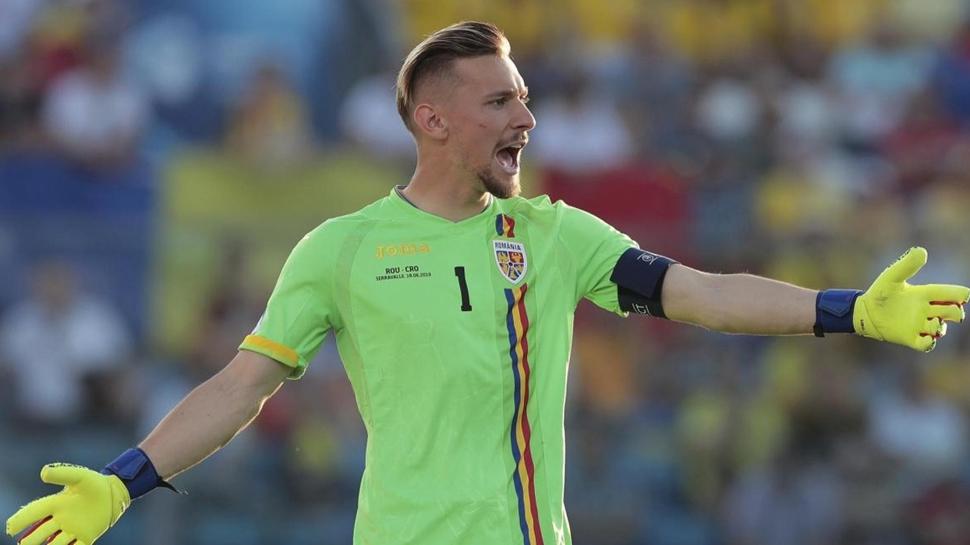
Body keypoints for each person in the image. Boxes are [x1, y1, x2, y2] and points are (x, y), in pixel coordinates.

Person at [6, 21, 969, 545]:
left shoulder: (552, 234)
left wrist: (847, 309)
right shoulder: (341, 248)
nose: (527, 118)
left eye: (526, 97)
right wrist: (123, 483)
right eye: (501, 99)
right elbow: (239, 386)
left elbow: (701, 292)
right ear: (433, 121)